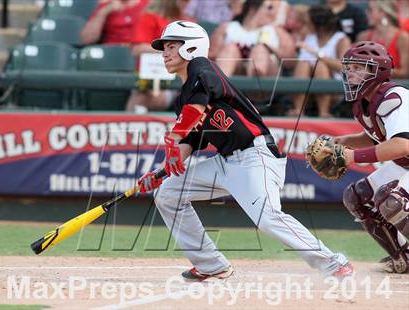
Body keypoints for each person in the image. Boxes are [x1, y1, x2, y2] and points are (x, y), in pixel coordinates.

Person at [137, 20, 353, 281]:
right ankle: (210, 264)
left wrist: (173, 138)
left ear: (191, 47)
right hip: (225, 162)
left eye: (172, 46)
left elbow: (195, 107)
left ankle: (332, 262)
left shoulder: (202, 67)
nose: (165, 53)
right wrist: (161, 172)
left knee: (267, 217)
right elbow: (192, 141)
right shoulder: (184, 96)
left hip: (255, 155)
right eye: (164, 48)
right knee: (168, 192)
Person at [337, 41, 409, 273]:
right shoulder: (366, 102)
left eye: (358, 68)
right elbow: (379, 137)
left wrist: (353, 156)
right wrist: (345, 142)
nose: (350, 74)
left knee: (391, 200)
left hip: (405, 156)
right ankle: (403, 258)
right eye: (349, 68)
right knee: (356, 197)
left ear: (377, 72)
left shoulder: (393, 96)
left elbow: (402, 144)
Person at [126, 0, 195, 112]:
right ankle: (128, 126)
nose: (187, 3)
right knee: (142, 97)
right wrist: (172, 51)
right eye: (184, 0)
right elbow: (138, 49)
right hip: (153, 75)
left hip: (181, 77)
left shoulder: (188, 21)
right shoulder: (149, 17)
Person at [289, 5, 351, 118]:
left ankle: (324, 112)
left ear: (318, 24)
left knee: (320, 66)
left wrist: (317, 54)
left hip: (333, 88)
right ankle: (298, 110)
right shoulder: (307, 36)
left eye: (308, 23)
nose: (306, 25)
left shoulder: (341, 39)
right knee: (304, 64)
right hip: (308, 86)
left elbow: (344, 67)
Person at [209, 0, 296, 77]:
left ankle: (256, 90)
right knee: (231, 49)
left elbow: (292, 62)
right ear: (253, 9)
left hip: (268, 71)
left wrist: (269, 48)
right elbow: (211, 56)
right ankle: (222, 90)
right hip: (234, 70)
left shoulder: (277, 31)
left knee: (259, 50)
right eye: (269, 8)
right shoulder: (227, 27)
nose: (272, 12)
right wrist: (237, 54)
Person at [357, 0, 409, 79]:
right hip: (368, 87)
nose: (367, 13)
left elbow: (406, 72)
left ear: (383, 12)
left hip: (393, 86)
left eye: (370, 10)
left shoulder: (402, 38)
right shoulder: (363, 37)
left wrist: (379, 71)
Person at [80, 0, 149, 45]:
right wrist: (104, 12)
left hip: (138, 53)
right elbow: (86, 39)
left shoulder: (148, 5)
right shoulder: (106, 5)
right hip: (111, 54)